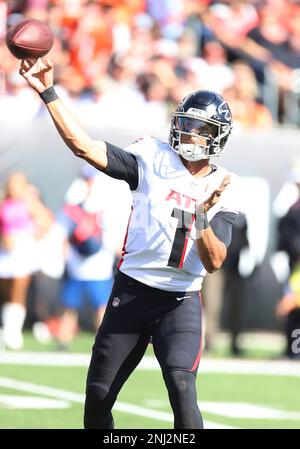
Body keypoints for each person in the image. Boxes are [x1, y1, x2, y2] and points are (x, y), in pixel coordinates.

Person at [19, 57, 243, 429]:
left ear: (217, 135)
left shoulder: (225, 185)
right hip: (133, 292)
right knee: (98, 397)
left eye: (199, 128)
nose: (189, 135)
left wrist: (201, 216)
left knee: (182, 385)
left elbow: (215, 259)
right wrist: (47, 91)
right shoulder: (152, 157)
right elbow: (84, 147)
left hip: (180, 299)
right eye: (185, 125)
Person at [56, 163, 131, 349]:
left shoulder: (108, 202)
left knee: (101, 307)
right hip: (77, 264)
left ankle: (106, 341)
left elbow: (112, 235)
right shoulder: (73, 202)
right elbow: (64, 232)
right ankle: (63, 340)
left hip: (99, 265)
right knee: (70, 305)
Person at [0, 172, 52, 350]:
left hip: (22, 253)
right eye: (11, 184)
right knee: (6, 294)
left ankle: (13, 332)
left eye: (16, 184)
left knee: (17, 293)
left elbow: (46, 223)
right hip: (4, 254)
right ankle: (6, 328)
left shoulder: (29, 204)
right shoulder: (3, 203)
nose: (12, 187)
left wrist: (35, 235)